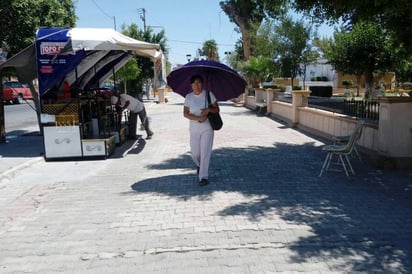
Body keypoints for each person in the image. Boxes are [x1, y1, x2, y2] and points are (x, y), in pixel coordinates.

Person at [183, 74, 220, 186]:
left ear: (202, 84)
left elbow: (217, 109)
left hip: (207, 128)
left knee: (205, 152)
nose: (197, 85)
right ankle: (199, 165)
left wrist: (208, 109)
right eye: (195, 83)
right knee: (195, 153)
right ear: (191, 85)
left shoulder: (208, 94)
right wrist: (199, 118)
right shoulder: (188, 97)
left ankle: (203, 176)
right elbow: (185, 114)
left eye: (199, 83)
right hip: (194, 129)